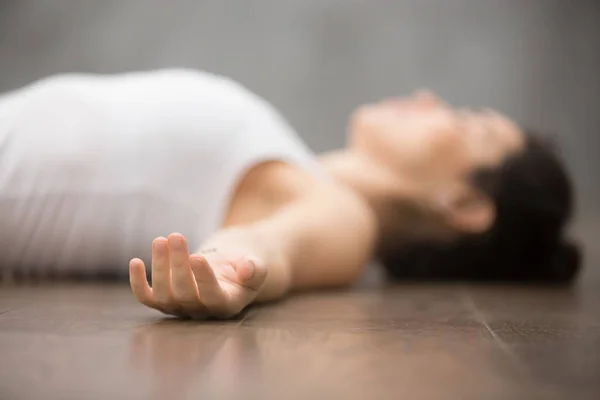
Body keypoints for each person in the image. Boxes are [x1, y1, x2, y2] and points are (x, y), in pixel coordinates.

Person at [0, 69, 580, 319]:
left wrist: (230, 267)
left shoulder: (343, 218)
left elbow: (273, 246)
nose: (429, 97)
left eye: (463, 120)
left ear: (465, 204)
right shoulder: (302, 166)